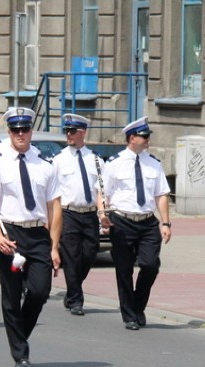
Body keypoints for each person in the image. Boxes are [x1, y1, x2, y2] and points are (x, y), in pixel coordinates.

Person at [0, 107, 62, 367]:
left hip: (37, 234)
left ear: (31, 131)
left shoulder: (45, 166)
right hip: (10, 235)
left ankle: (19, 334)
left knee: (40, 291)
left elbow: (55, 207)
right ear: (9, 132)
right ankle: (21, 354)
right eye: (15, 130)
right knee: (12, 296)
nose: (20, 134)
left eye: (24, 129)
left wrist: (54, 246)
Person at [100, 116, 171, 330]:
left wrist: (166, 223)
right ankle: (129, 315)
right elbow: (103, 193)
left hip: (147, 222)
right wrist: (102, 214)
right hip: (122, 221)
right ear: (132, 138)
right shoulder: (114, 164)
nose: (148, 139)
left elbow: (162, 195)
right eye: (144, 136)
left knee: (150, 265)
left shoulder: (154, 164)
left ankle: (138, 305)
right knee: (124, 269)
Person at [54, 113, 104, 316]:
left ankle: (72, 290)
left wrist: (103, 213)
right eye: (66, 131)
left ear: (83, 132)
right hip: (69, 213)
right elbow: (53, 191)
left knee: (89, 253)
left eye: (73, 131)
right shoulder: (58, 160)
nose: (69, 135)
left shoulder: (96, 159)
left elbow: (102, 188)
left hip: (90, 214)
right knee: (72, 257)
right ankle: (76, 300)